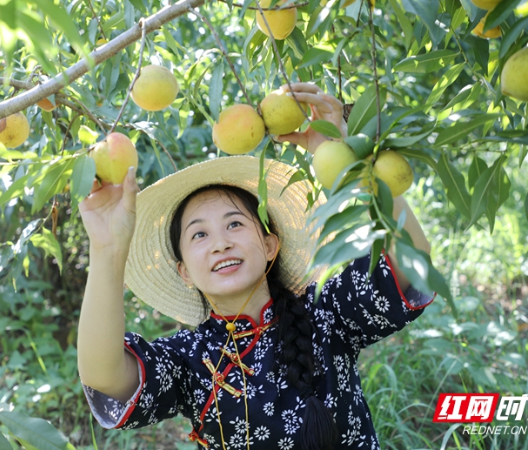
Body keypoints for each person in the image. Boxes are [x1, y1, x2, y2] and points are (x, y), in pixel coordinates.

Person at [77, 82, 436, 449]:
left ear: (269, 245)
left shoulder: (325, 314)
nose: (221, 243)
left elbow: (412, 263)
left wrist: (350, 167)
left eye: (234, 224)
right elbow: (104, 375)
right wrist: (107, 247)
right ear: (185, 271)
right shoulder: (191, 361)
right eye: (199, 236)